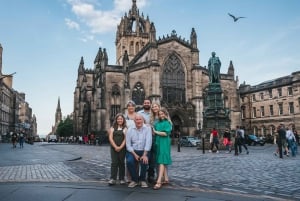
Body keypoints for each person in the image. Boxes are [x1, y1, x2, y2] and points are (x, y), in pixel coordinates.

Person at [125, 113, 152, 188]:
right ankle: (135, 180)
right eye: (136, 119)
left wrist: (144, 155)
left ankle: (142, 180)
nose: (138, 121)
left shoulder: (147, 128)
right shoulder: (130, 129)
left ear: (143, 120)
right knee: (129, 161)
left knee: (144, 160)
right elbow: (128, 144)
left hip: (144, 150)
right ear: (134, 121)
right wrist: (134, 154)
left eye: (140, 119)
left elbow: (148, 142)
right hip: (133, 151)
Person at [152, 108, 173, 190]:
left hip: (164, 142)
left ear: (165, 114)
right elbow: (153, 129)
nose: (161, 115)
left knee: (161, 160)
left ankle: (159, 181)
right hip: (158, 142)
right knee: (162, 160)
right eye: (159, 114)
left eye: (162, 114)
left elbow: (165, 133)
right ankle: (166, 178)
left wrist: (156, 132)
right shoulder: (157, 123)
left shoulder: (168, 123)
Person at [108, 113, 127, 185]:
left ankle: (122, 178)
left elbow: (125, 139)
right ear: (116, 120)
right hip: (113, 148)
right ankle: (113, 178)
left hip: (122, 148)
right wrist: (115, 147)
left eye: (121, 119)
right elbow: (110, 138)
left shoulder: (125, 128)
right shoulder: (112, 128)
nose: (119, 120)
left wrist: (120, 147)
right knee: (114, 163)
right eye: (118, 119)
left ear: (123, 120)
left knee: (122, 163)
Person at [147, 102, 161, 183]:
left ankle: (160, 176)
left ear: (159, 107)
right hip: (152, 139)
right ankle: (151, 175)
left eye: (156, 106)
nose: (154, 108)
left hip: (160, 139)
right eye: (153, 107)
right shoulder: (151, 117)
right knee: (152, 158)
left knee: (160, 158)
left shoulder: (162, 116)